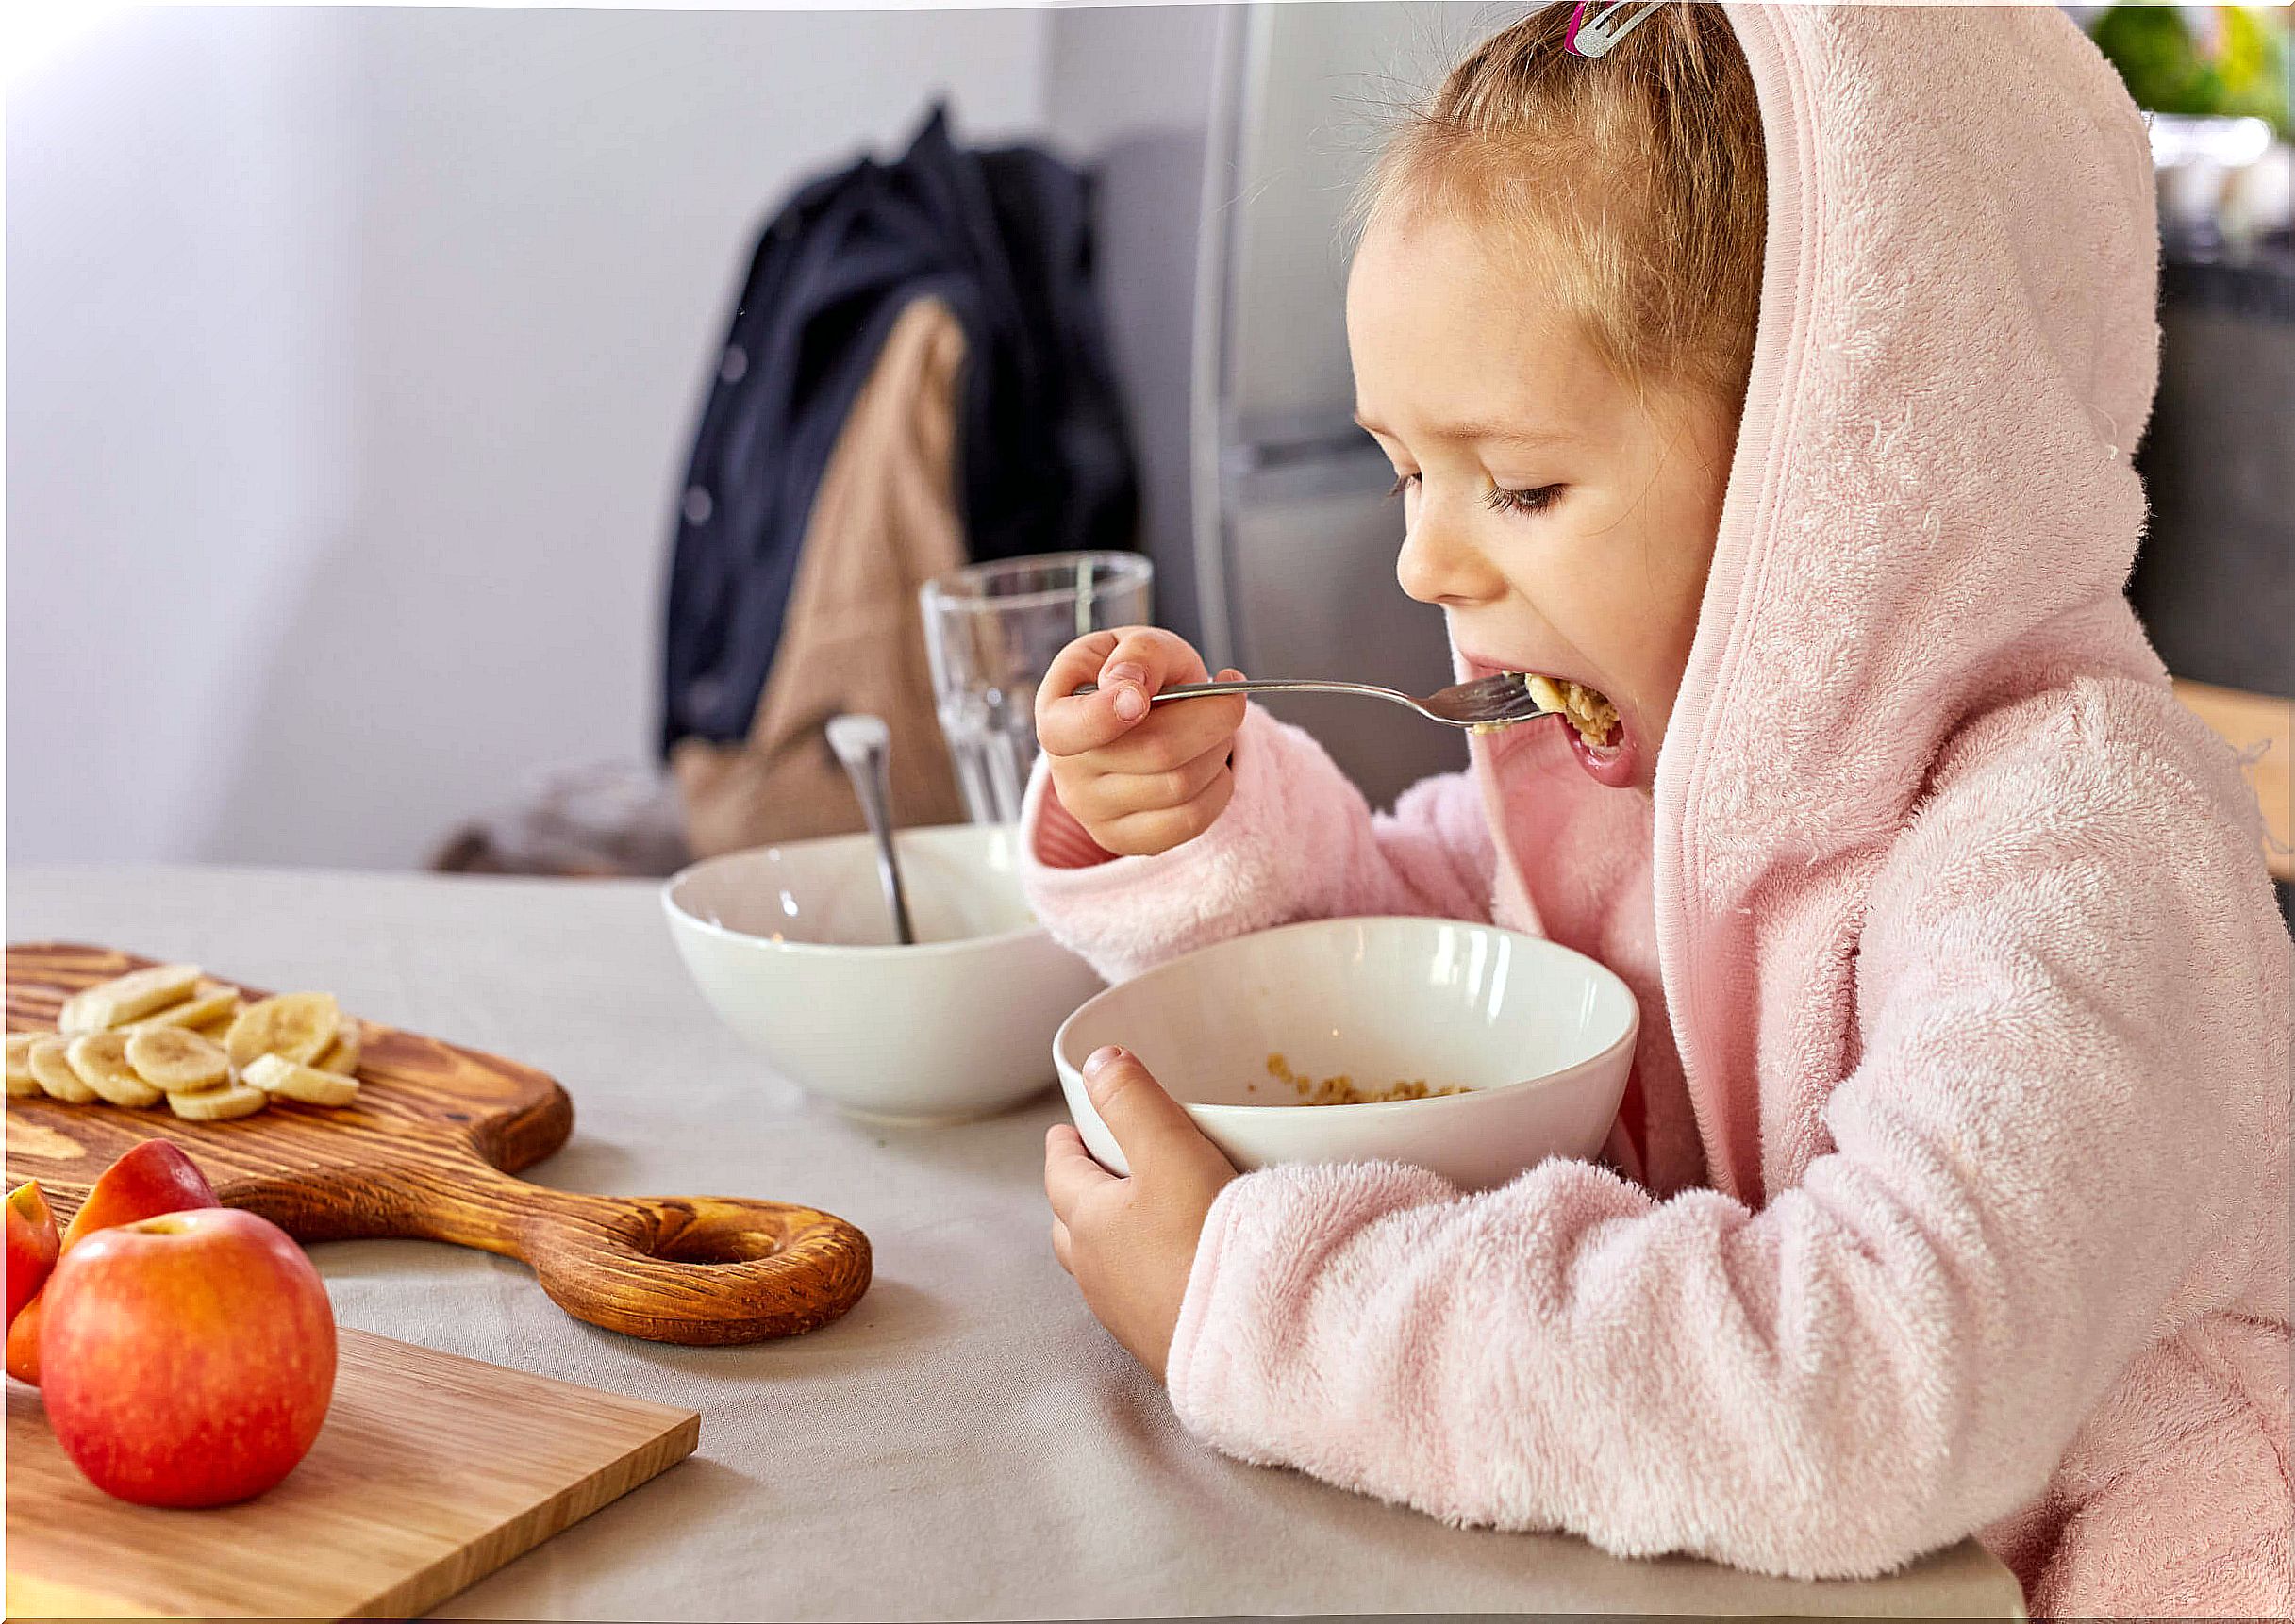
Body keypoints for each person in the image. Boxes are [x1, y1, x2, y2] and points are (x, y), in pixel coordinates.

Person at [1023, 5, 2292, 1615]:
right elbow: (1411, 982)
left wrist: (1272, 1301)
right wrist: (1201, 825)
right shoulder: (1627, 774)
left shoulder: (2082, 852)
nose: (1425, 563)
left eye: (1519, 485)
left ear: (1838, 470)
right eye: (1406, 469)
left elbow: (1864, 1392)